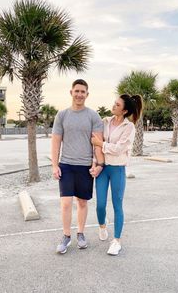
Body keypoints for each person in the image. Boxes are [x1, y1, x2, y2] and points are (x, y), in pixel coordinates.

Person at [51, 79, 104, 254]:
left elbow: (97, 144)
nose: (80, 94)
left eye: (83, 92)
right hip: (66, 165)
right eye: (77, 91)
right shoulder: (62, 115)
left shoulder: (93, 116)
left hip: (84, 167)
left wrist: (97, 164)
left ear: (87, 95)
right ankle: (66, 236)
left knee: (82, 202)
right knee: (66, 203)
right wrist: (54, 165)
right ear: (71, 92)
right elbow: (56, 142)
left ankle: (80, 233)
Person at [91, 93, 143, 255]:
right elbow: (95, 146)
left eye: (117, 105)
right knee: (100, 204)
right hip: (103, 169)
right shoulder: (104, 121)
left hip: (118, 169)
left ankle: (117, 241)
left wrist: (101, 143)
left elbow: (120, 148)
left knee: (117, 204)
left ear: (125, 111)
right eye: (114, 103)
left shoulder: (129, 127)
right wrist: (95, 162)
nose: (113, 106)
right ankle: (102, 226)